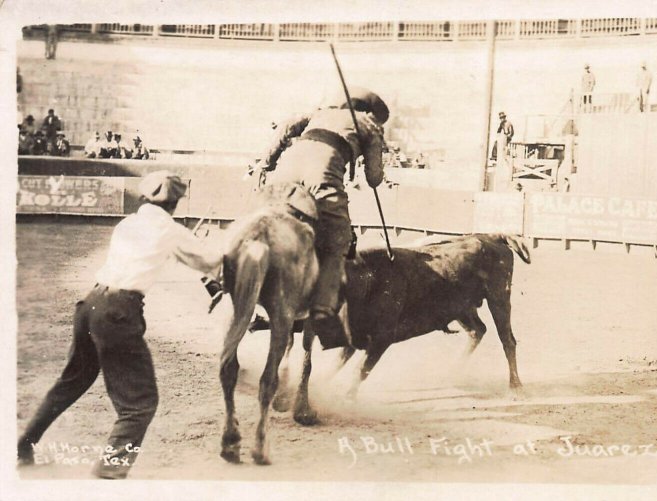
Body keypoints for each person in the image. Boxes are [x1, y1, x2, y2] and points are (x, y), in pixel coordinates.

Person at [17, 171, 224, 479]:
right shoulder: (171, 229)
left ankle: (24, 445)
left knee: (72, 381)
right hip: (119, 312)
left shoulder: (128, 223)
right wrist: (211, 243)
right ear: (175, 203)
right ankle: (109, 473)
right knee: (140, 403)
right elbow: (210, 262)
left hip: (89, 304)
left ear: (144, 197)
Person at [254, 88, 388, 348]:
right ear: (370, 112)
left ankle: (223, 279)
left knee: (262, 218)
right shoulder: (369, 124)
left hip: (286, 169)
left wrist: (267, 163)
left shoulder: (318, 113)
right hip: (322, 173)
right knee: (340, 240)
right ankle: (323, 312)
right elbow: (374, 178)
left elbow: (285, 127)